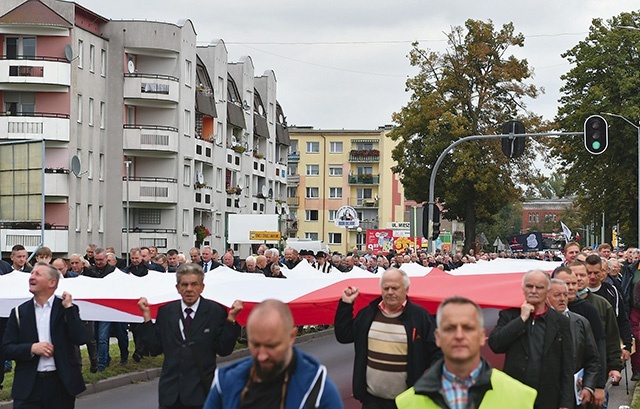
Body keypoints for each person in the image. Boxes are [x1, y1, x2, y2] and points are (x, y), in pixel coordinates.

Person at [395, 297, 536, 408]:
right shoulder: (406, 403)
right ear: (437, 337)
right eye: (450, 328)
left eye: (468, 328)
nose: (459, 335)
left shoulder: (521, 397)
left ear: (482, 336)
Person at [137, 263, 243, 409]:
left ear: (202, 287)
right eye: (184, 284)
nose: (189, 289)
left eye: (194, 284)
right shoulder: (166, 312)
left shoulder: (215, 312)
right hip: (170, 395)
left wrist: (231, 319)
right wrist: (147, 317)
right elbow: (155, 349)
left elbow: (224, 350)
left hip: (201, 394)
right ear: (178, 288)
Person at [203, 299, 343, 409]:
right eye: (255, 345)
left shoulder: (317, 388)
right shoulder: (226, 382)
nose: (262, 355)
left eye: (272, 346)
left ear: (291, 336)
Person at [334, 268, 441, 408]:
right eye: (386, 288)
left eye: (395, 288)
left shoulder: (420, 317)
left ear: (406, 289)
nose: (390, 292)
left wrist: (428, 383)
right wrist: (346, 304)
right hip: (372, 401)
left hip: (407, 403)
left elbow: (439, 353)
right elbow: (344, 335)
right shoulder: (368, 314)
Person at [1, 262, 88, 408]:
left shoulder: (65, 309)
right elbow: (6, 348)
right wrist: (31, 348)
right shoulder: (19, 312)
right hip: (29, 387)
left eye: (37, 274)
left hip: (60, 385)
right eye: (31, 273)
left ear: (52, 282)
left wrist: (69, 309)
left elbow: (80, 338)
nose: (31, 277)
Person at [488, 269, 574, 409]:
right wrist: (521, 320)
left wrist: (566, 403)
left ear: (547, 290)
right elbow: (495, 344)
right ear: (523, 289)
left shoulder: (560, 321)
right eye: (529, 286)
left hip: (548, 397)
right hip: (515, 395)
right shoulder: (510, 315)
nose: (534, 291)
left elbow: (567, 365)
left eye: (539, 287)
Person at [547, 278, 602, 407]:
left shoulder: (580, 322)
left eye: (565, 295)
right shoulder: (540, 324)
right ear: (546, 297)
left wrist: (588, 386)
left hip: (575, 394)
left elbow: (593, 359)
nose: (562, 299)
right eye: (557, 295)